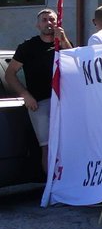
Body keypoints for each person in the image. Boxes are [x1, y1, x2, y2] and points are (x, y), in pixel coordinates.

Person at [5, 9, 71, 171]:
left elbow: (75, 63)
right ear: (37, 24)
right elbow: (10, 74)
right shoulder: (27, 47)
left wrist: (63, 40)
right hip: (39, 103)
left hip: (63, 102)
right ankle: (50, 186)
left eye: (52, 20)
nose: (49, 23)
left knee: (66, 146)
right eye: (44, 20)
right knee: (47, 147)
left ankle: (65, 185)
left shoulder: (62, 45)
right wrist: (26, 95)